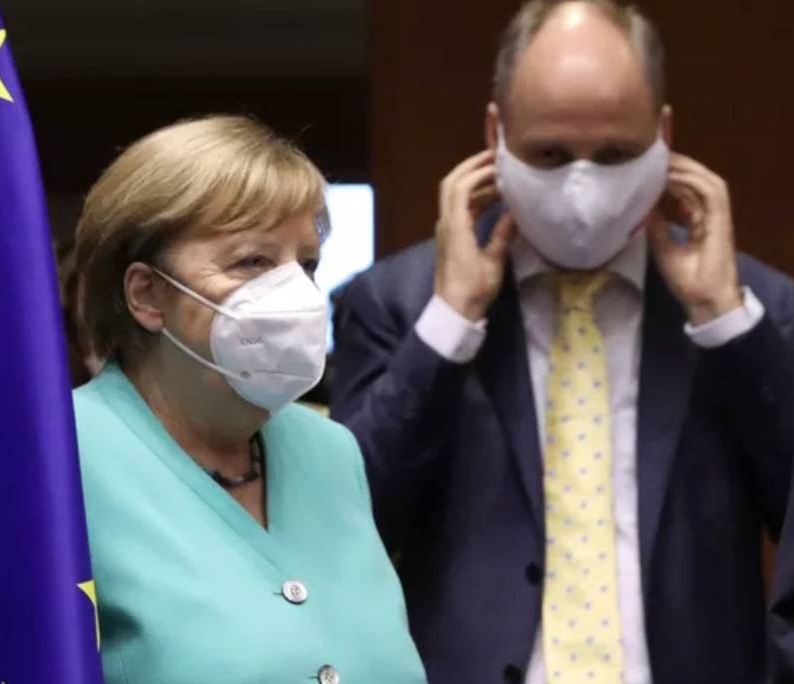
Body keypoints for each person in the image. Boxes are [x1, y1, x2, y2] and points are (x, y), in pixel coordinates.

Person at [329, 2, 794, 683]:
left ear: (663, 136)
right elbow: (346, 529)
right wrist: (450, 324)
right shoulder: (396, 303)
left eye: (615, 155)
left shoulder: (756, 308)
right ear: (495, 134)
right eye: (548, 154)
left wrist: (725, 323)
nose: (583, 187)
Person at [70, 115, 426, 684]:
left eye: (306, 264)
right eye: (252, 261)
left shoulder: (331, 452)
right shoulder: (61, 458)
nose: (297, 292)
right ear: (147, 295)